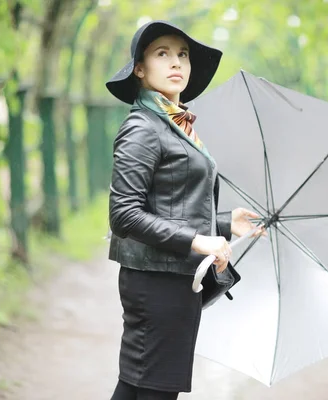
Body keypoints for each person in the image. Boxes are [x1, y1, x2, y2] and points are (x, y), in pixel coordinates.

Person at [105, 20, 266, 400]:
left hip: (172, 277)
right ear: (140, 69)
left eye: (183, 55)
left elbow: (170, 201)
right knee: (155, 388)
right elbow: (124, 214)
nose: (176, 62)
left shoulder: (173, 123)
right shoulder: (144, 126)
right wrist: (198, 241)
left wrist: (225, 224)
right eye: (162, 53)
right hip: (155, 282)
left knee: (138, 386)